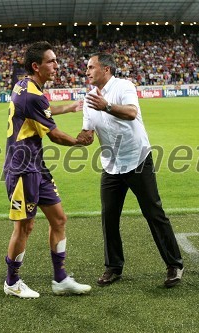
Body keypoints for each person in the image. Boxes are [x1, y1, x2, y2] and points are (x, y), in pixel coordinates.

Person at [77, 53, 184, 288]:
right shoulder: (89, 99)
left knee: (154, 213)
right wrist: (76, 138)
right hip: (111, 165)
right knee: (109, 217)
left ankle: (174, 264)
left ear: (106, 69)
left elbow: (131, 113)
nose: (86, 72)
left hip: (137, 160)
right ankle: (113, 267)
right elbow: (88, 133)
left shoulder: (124, 86)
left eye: (90, 67)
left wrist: (106, 106)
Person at [3, 41, 92, 298]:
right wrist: (78, 141)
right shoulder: (32, 95)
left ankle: (60, 279)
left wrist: (69, 107)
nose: (56, 65)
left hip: (36, 167)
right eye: (51, 61)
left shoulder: (24, 85)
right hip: (22, 169)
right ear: (36, 66)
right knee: (25, 227)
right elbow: (54, 135)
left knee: (59, 219)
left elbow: (43, 109)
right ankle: (12, 283)